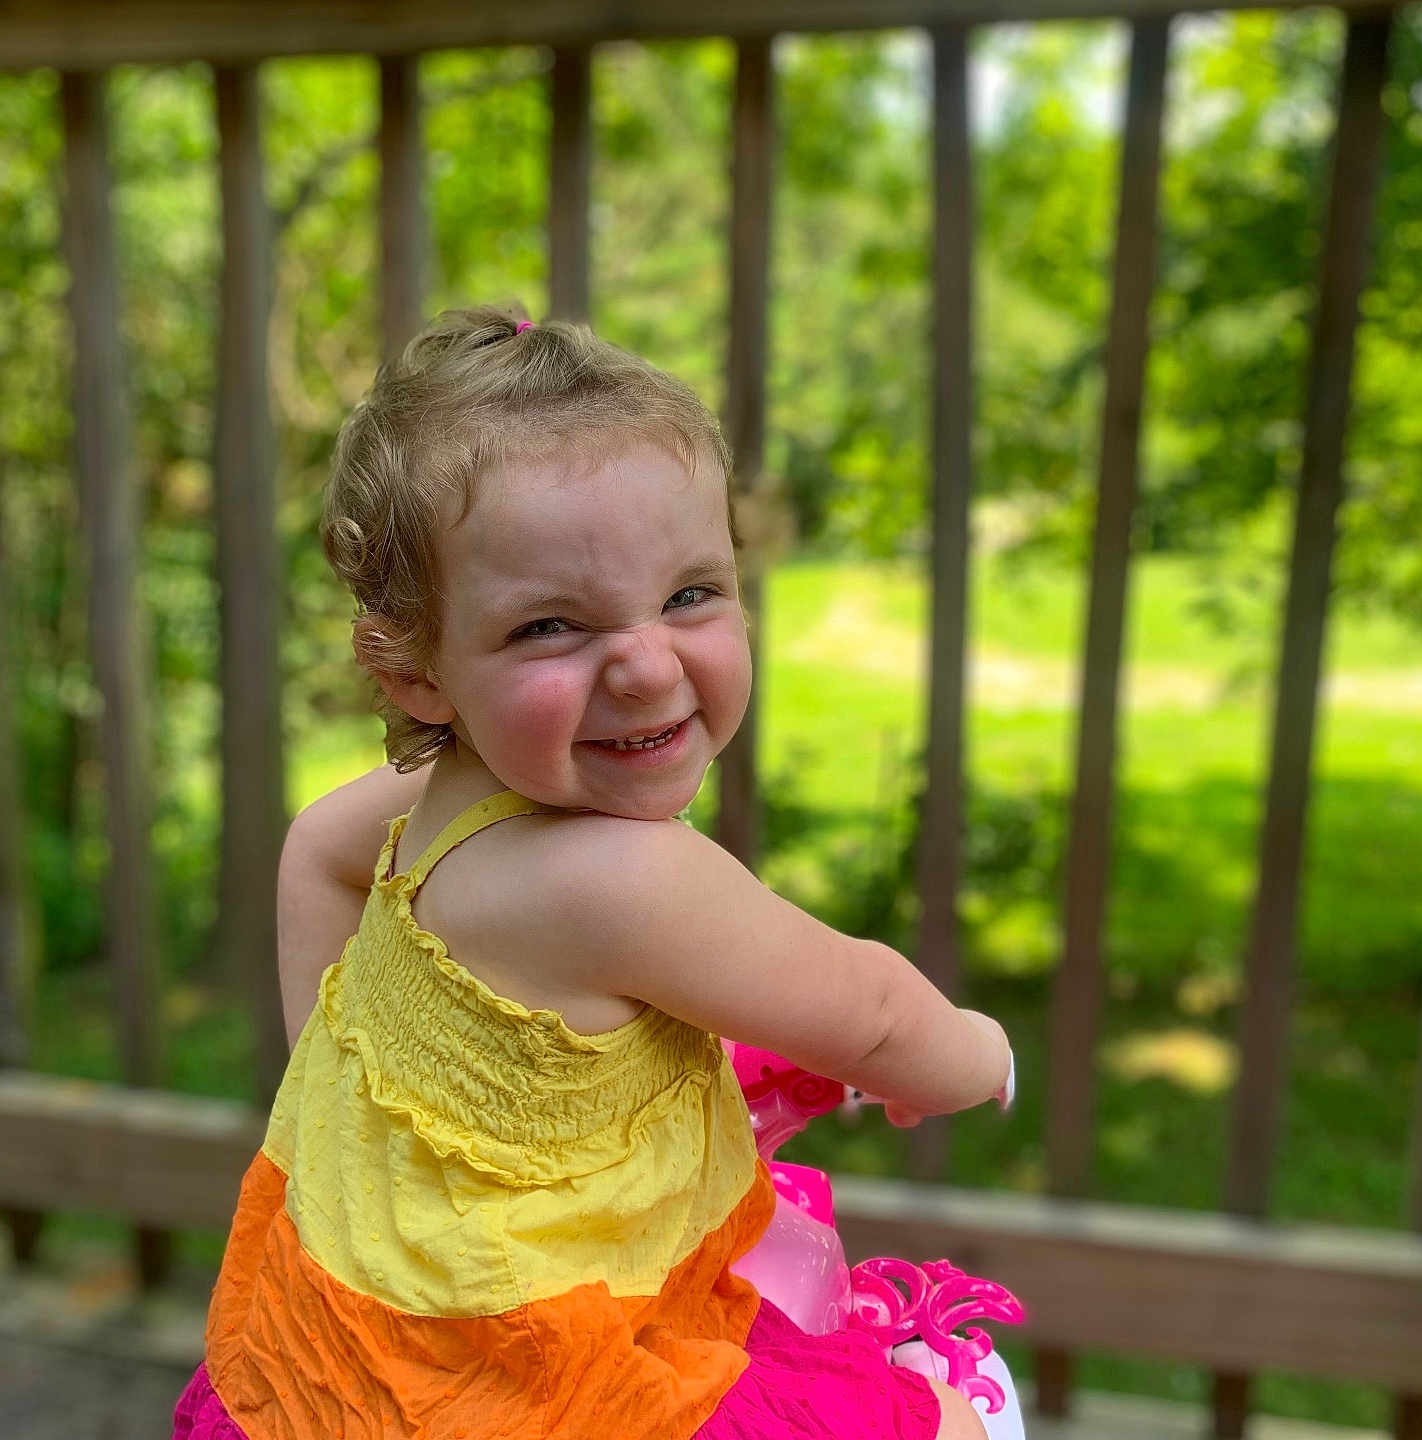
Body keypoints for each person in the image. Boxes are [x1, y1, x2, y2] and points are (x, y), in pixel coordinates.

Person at [173, 306, 1013, 1440]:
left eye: (689, 595)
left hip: (354, 1343)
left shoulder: (429, 807)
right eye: (551, 628)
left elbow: (311, 853)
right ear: (416, 670)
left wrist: (359, 1134)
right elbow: (867, 1011)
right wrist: (972, 1053)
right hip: (542, 1383)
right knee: (955, 1415)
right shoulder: (623, 879)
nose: (644, 663)